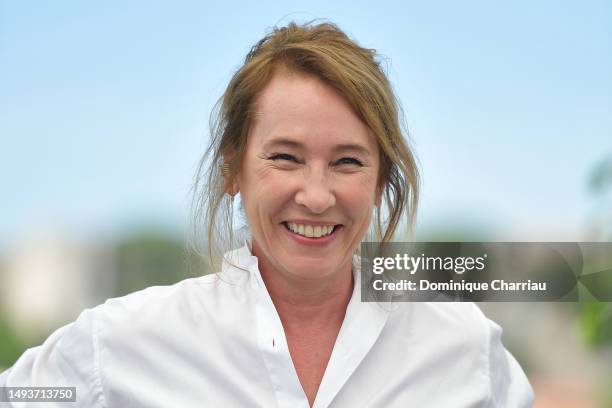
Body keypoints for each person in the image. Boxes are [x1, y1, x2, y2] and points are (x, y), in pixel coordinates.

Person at [0, 21, 533, 407]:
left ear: (379, 183)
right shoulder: (119, 342)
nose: (317, 195)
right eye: (285, 157)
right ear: (233, 169)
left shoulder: (464, 348)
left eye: (348, 161)